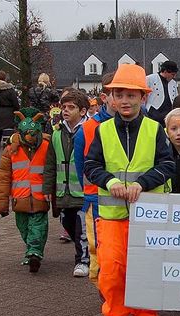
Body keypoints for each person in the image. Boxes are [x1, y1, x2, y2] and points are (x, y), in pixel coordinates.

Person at [84, 64, 175, 316]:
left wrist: (141, 184)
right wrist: (110, 182)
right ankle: (116, 314)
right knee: (111, 267)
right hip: (111, 215)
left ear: (142, 98)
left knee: (146, 266)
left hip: (148, 214)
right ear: (111, 97)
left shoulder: (155, 129)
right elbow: (91, 165)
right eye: (119, 95)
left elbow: (167, 164)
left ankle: (145, 315)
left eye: (131, 95)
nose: (125, 101)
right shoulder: (102, 130)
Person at [74, 71, 116, 286]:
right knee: (99, 248)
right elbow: (81, 168)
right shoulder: (87, 129)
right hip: (96, 200)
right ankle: (105, 290)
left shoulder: (146, 126)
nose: (122, 99)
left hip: (131, 200)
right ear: (105, 96)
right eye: (117, 93)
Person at [43, 90, 90, 278]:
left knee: (82, 229)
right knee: (68, 224)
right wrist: (48, 188)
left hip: (82, 191)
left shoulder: (89, 131)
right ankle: (89, 254)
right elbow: (49, 164)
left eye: (71, 107)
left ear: (83, 111)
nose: (66, 111)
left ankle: (83, 260)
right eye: (64, 107)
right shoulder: (56, 134)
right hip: (63, 192)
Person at [0, 108, 49, 273]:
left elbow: (52, 172)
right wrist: (2, 205)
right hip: (20, 198)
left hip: (40, 198)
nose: (30, 137)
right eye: (27, 133)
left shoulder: (47, 146)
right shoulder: (11, 150)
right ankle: (30, 250)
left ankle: (34, 253)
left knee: (38, 227)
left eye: (33, 133)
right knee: (24, 227)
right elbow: (3, 178)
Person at [146, 60, 179, 126]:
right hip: (153, 112)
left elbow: (176, 98)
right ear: (165, 71)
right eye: (172, 74)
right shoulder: (150, 79)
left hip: (169, 113)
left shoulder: (173, 83)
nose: (174, 77)